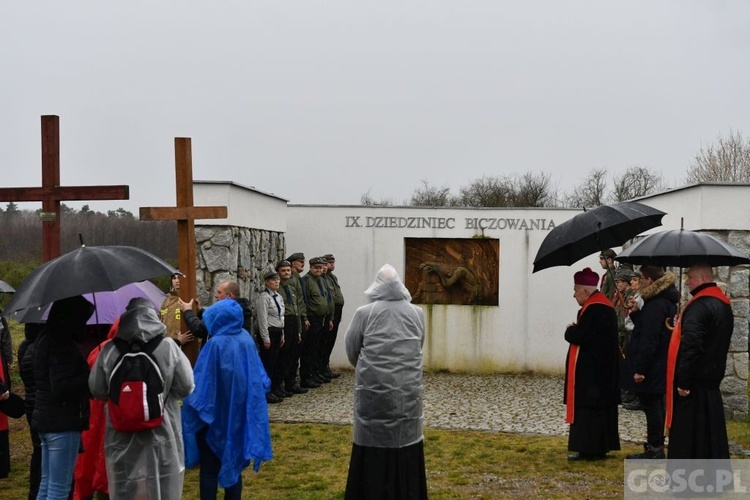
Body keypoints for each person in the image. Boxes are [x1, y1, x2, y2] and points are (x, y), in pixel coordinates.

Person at [89, 298, 195, 498]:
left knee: (124, 482)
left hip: (120, 434)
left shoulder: (109, 350)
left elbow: (97, 390)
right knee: (164, 482)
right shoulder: (168, 347)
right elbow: (186, 386)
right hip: (163, 431)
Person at [344, 264, 427, 499]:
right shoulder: (416, 313)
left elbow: (352, 351)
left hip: (374, 394)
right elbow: (419, 347)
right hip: (407, 394)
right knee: (405, 441)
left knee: (373, 442)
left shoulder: (364, 313)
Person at [182, 298, 273, 500]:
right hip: (239, 415)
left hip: (212, 417)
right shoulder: (246, 340)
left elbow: (201, 384)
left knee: (209, 469)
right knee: (233, 462)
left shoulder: (215, 345)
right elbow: (259, 377)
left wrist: (190, 406)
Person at [666, 263, 734, 459]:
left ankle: (689, 479)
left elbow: (692, 346)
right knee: (710, 434)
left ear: (703, 279)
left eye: (690, 277)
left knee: (690, 436)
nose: (687, 281)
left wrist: (684, 381)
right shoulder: (722, 303)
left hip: (694, 382)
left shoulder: (699, 305)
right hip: (711, 378)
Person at [32, 295, 94, 500]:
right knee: (59, 488)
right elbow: (61, 386)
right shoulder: (61, 344)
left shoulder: (44, 337)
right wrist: (88, 379)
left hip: (46, 418)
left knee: (47, 483)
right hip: (62, 422)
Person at [564, 267, 620, 461]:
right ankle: (599, 446)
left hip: (593, 375)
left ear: (586, 292)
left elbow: (583, 337)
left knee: (590, 412)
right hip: (601, 372)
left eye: (576, 290)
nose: (573, 295)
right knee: (599, 412)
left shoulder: (595, 309)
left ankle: (589, 449)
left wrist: (570, 331)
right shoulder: (601, 306)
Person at [624, 265, 677, 460]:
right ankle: (655, 445)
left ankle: (655, 448)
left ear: (649, 281)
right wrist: (637, 312)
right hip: (658, 363)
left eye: (641, 278)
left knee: (652, 405)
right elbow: (647, 326)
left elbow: (649, 338)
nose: (637, 283)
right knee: (654, 405)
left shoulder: (656, 304)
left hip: (653, 365)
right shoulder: (661, 301)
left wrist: (640, 369)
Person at [18, 323, 44, 499]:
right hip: (40, 406)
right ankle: (36, 491)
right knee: (42, 452)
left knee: (38, 450)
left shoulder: (24, 348)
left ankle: (35, 492)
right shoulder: (39, 350)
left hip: (31, 404)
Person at [300, 257, 333, 388]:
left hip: (322, 318)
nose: (319, 270)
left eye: (320, 268)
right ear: (311, 268)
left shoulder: (321, 280)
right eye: (316, 268)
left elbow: (326, 299)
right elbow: (305, 300)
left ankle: (315, 373)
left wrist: (329, 317)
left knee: (317, 348)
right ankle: (306, 376)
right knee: (309, 349)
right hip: (312, 318)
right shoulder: (307, 281)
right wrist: (306, 318)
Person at [276, 260, 307, 396]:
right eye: (283, 271)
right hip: (284, 322)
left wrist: (299, 330)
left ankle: (290, 383)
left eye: (288, 270)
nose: (287, 273)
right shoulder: (277, 289)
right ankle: (278, 385)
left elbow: (297, 309)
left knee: (293, 356)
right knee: (283, 356)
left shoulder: (291, 287)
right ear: (278, 273)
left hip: (294, 321)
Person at [255, 270, 286, 404]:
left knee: (275, 363)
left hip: (278, 331)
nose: (276, 282)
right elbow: (262, 318)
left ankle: (274, 388)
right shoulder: (264, 297)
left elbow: (281, 317)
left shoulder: (278, 296)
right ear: (267, 282)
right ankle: (265, 392)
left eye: (277, 280)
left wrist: (283, 334)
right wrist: (265, 337)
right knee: (267, 363)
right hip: (269, 332)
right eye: (273, 280)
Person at [160, 272, 198, 365]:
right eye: (174, 278)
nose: (176, 281)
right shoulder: (166, 299)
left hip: (184, 344)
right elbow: (161, 321)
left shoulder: (188, 298)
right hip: (168, 345)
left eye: (179, 278)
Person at [322, 253, 344, 379]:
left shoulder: (332, 278)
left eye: (332, 263)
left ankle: (325, 367)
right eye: (328, 263)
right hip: (329, 313)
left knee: (330, 341)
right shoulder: (323, 279)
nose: (331, 265)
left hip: (335, 311)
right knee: (325, 342)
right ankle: (321, 368)